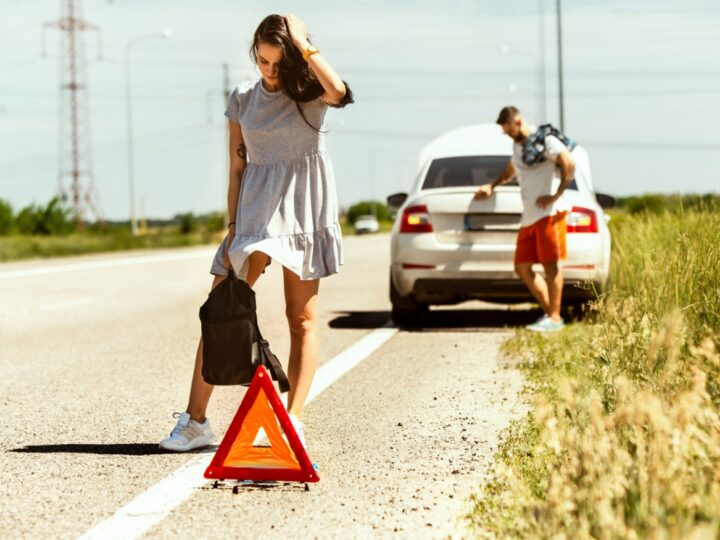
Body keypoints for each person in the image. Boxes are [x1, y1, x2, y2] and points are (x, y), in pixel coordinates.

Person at [159, 13, 353, 451]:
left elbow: (339, 92)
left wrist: (303, 41)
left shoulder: (312, 94)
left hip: (303, 208)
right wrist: (232, 229)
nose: (268, 70)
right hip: (255, 211)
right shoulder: (243, 99)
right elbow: (237, 166)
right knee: (220, 312)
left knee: (300, 319)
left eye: (278, 62)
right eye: (262, 61)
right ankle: (196, 422)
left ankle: (293, 419)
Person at [474, 106, 575, 333]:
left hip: (548, 214)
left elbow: (569, 164)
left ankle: (555, 318)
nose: (506, 134)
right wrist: (492, 185)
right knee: (522, 267)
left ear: (518, 122)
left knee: (551, 266)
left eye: (508, 129)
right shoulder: (518, 147)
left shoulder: (545, 141)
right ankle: (552, 314)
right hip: (529, 217)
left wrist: (555, 195)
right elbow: (511, 170)